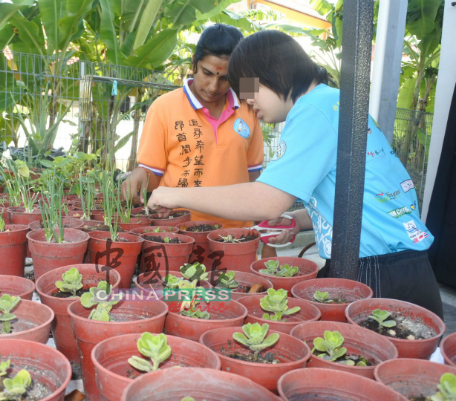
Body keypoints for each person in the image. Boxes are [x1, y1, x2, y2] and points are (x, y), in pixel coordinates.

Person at [147, 30, 443, 318]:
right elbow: (350, 195)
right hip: (399, 267)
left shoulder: (313, 110)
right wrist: (297, 220)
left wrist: (171, 194)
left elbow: (266, 200)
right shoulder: (333, 102)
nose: (249, 102)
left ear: (271, 73)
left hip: (378, 272)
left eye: (249, 90)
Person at [121, 24, 266, 231]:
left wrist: (264, 228)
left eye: (225, 78)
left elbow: (253, 175)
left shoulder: (248, 107)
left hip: (235, 234)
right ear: (194, 64)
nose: (213, 86)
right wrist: (138, 177)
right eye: (207, 73)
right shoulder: (163, 108)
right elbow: (152, 176)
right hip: (179, 232)